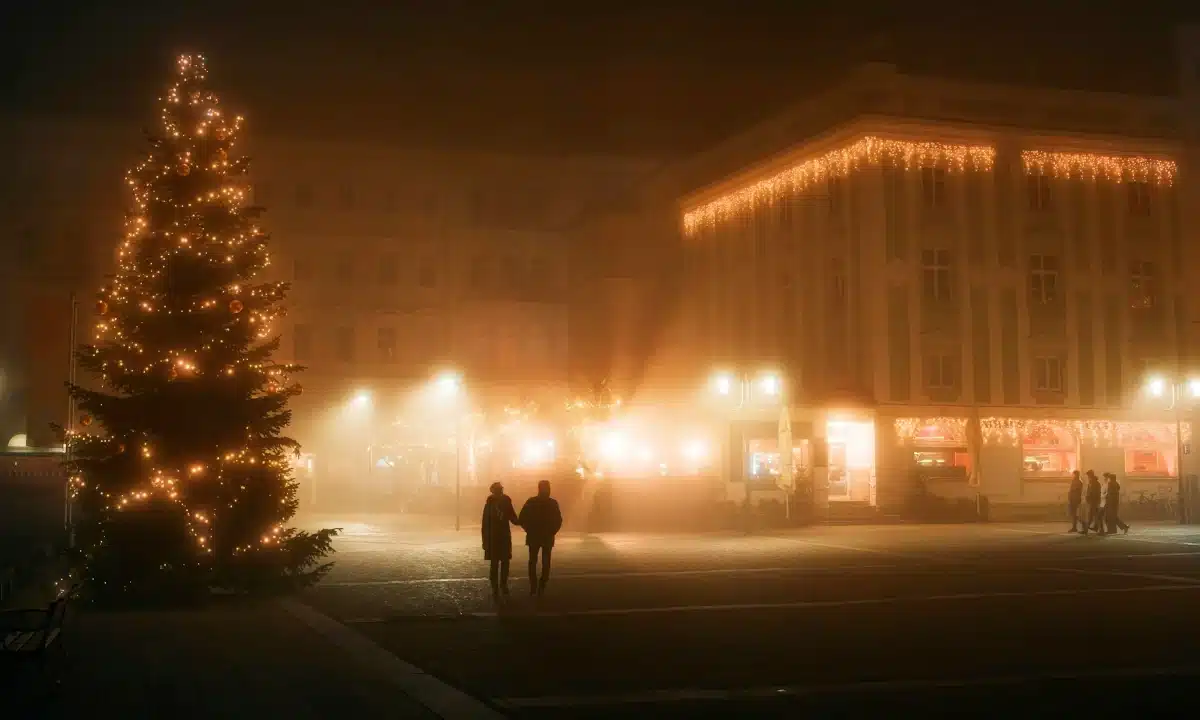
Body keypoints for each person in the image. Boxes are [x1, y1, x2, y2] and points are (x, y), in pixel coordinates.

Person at [518, 479, 563, 597]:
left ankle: (534, 586)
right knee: (545, 562)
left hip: (534, 536)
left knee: (533, 562)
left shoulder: (531, 502)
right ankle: (542, 585)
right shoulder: (552, 503)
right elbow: (558, 520)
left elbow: (521, 518)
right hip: (547, 537)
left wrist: (529, 529)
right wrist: (552, 531)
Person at [481, 481, 519, 602]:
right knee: (497, 562)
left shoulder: (503, 501)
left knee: (502, 562)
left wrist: (521, 521)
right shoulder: (492, 502)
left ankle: (501, 585)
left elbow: (512, 516)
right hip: (497, 535)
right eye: (499, 489)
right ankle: (498, 586)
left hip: (499, 535)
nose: (500, 491)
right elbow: (486, 522)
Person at [1082, 470, 1104, 535]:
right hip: (1092, 502)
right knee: (1092, 516)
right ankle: (1089, 529)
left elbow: (1095, 493)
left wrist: (1089, 497)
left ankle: (1100, 530)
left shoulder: (1095, 483)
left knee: (1095, 516)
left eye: (1088, 475)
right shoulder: (1091, 482)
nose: (1088, 477)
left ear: (1091, 475)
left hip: (1094, 502)